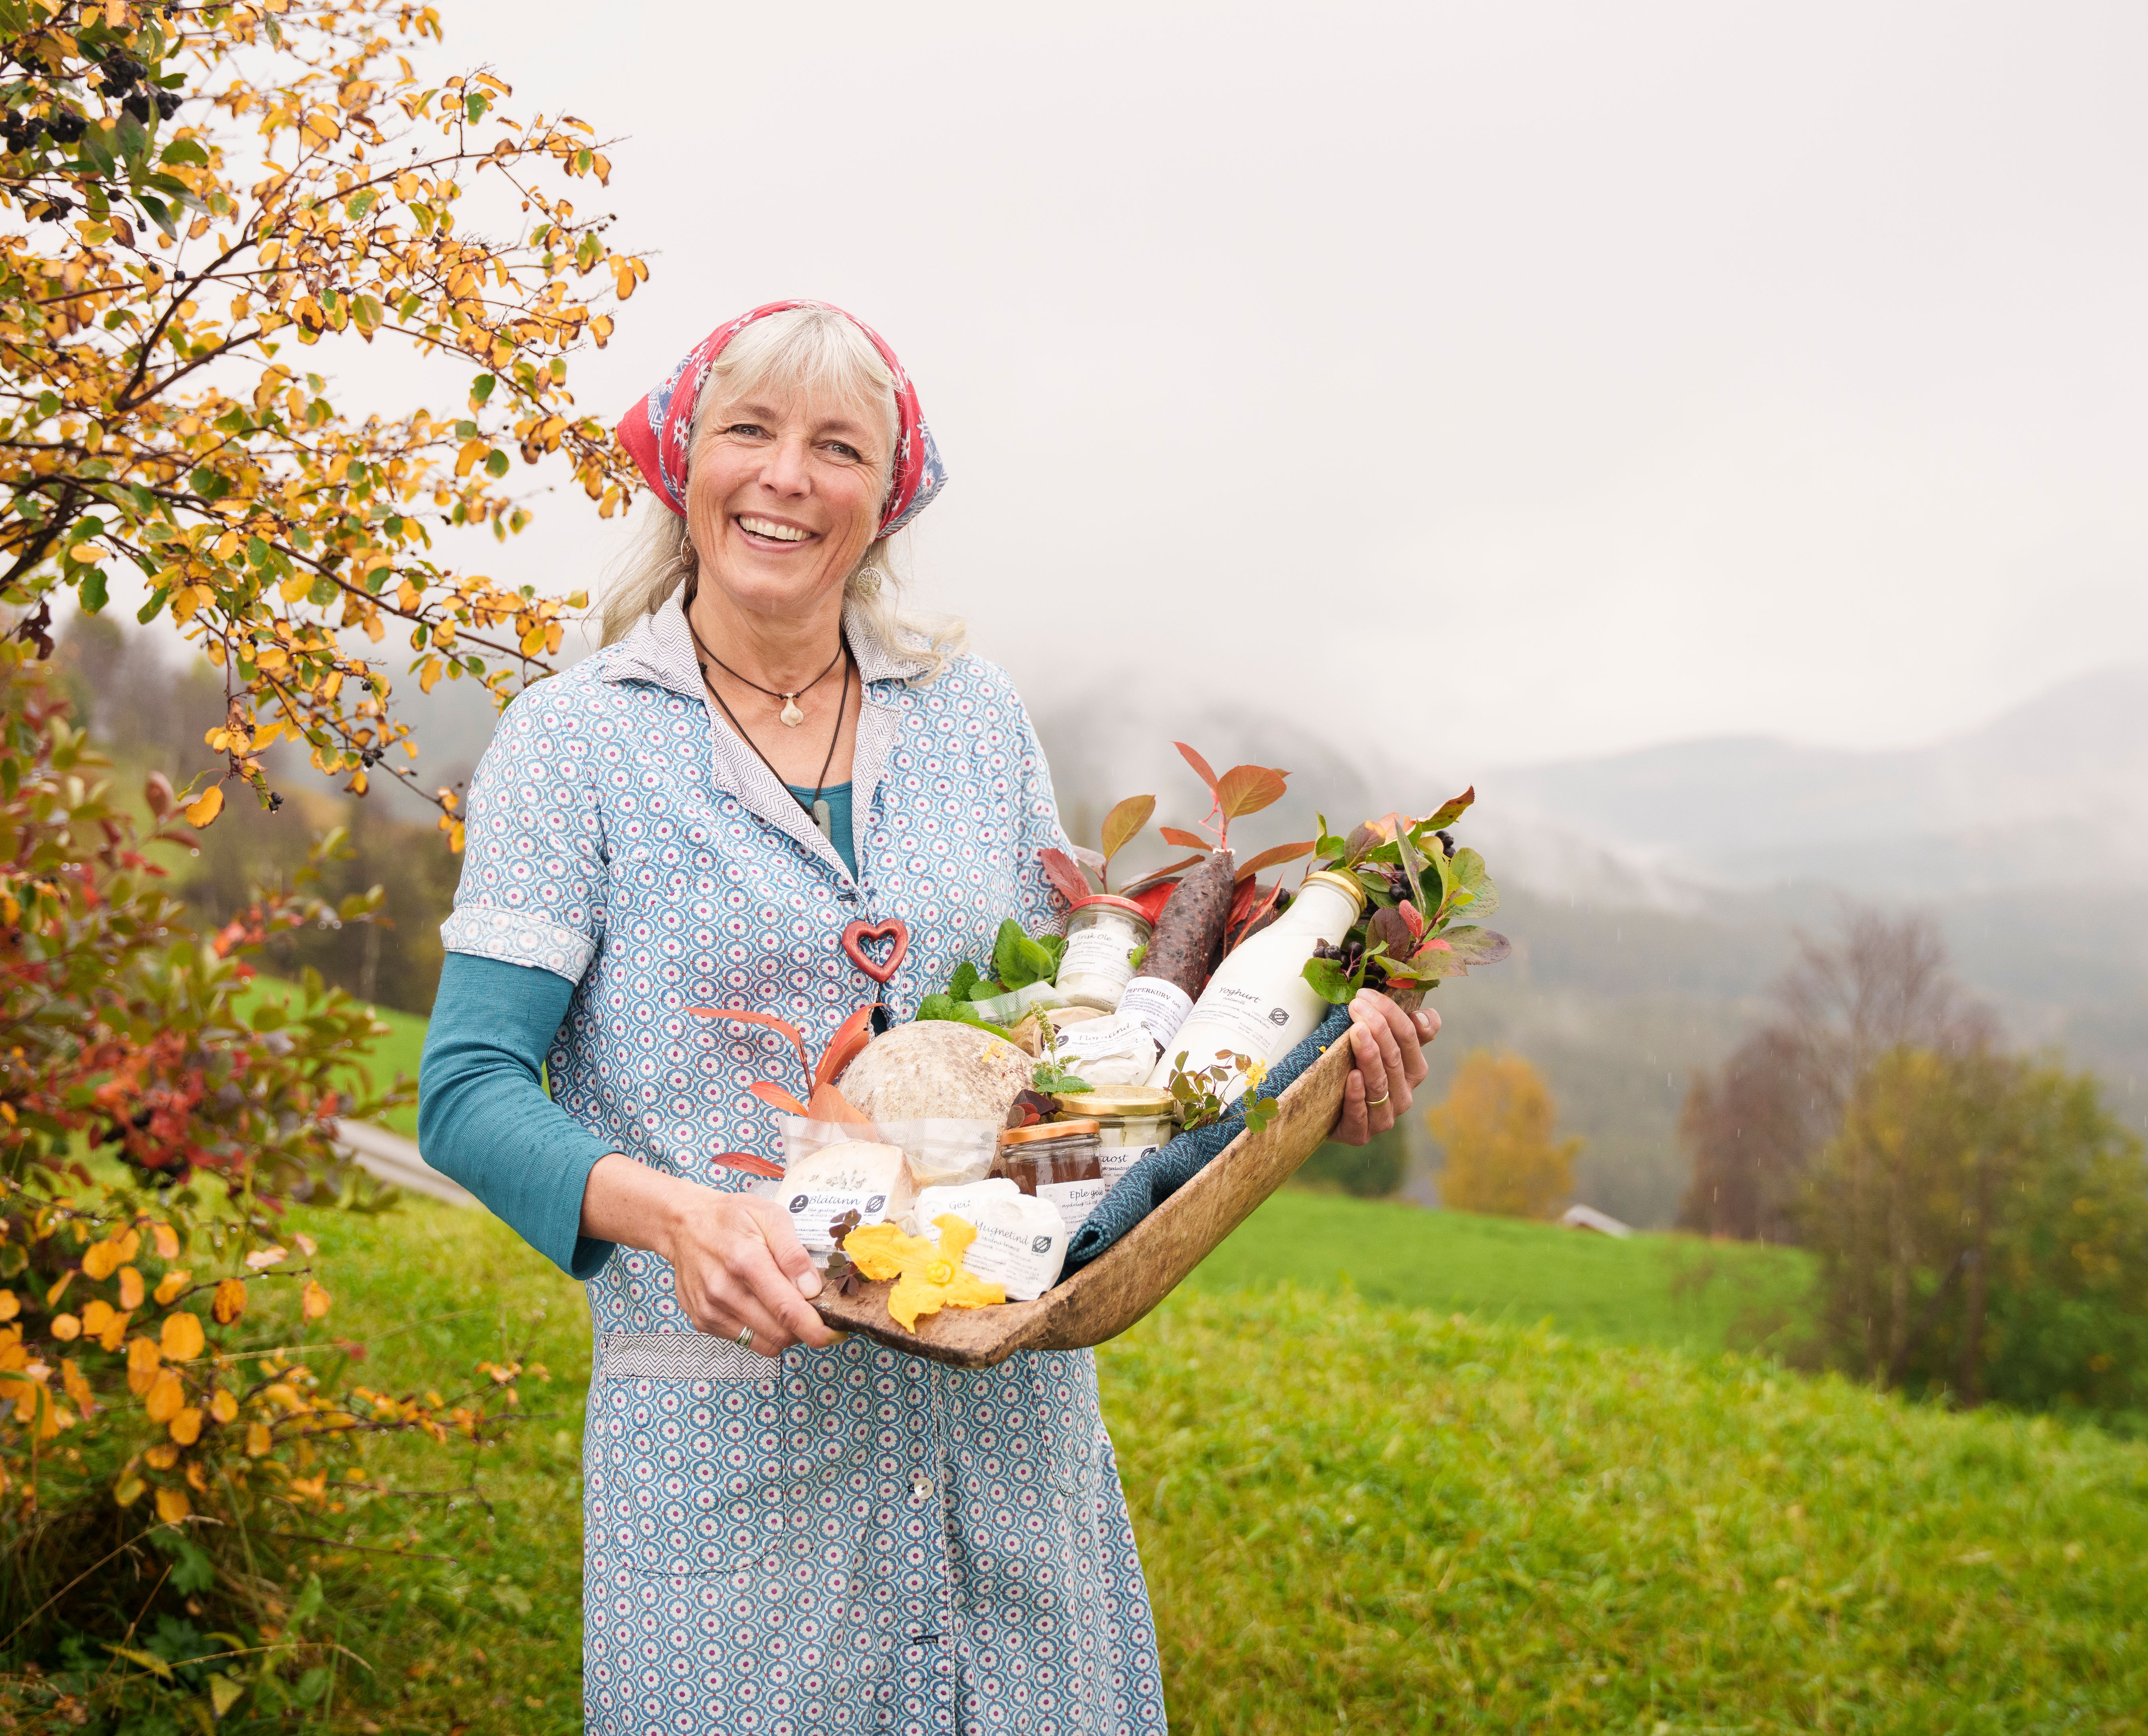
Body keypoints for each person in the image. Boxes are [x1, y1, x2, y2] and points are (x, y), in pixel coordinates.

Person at [417, 301, 1441, 1732]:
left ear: (886, 500)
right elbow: (467, 1093)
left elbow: (1069, 1058)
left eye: (840, 446)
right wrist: (680, 1220)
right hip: (732, 1449)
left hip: (1005, 1429)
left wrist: (1302, 1078)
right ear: (681, 463)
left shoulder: (971, 719)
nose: (787, 476)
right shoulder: (576, 745)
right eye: (751, 432)